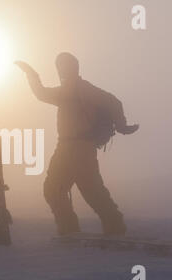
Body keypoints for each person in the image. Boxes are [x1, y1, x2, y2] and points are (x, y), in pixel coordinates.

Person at [15, 53, 138, 235]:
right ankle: (109, 227)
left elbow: (42, 94)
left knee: (63, 190)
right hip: (72, 148)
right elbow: (114, 102)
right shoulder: (74, 89)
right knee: (86, 191)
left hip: (76, 149)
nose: (61, 70)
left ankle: (76, 230)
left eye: (62, 66)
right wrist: (121, 125)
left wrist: (31, 74)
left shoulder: (78, 89)